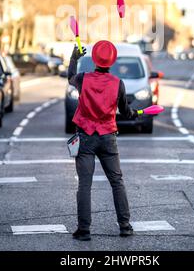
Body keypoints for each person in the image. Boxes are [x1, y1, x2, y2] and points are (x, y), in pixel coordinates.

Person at [68, 40, 138, 241]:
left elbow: (70, 77)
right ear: (111, 61)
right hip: (108, 137)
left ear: (95, 60)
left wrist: (74, 58)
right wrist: (132, 113)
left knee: (85, 184)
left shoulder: (83, 79)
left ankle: (84, 230)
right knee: (117, 182)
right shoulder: (118, 84)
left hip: (85, 136)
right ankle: (125, 226)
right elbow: (125, 111)